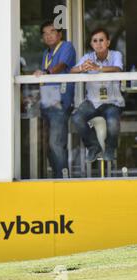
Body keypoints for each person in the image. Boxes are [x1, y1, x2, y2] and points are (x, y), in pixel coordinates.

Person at [70, 28, 125, 162]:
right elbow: (72, 71)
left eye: (101, 40)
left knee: (112, 122)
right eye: (95, 41)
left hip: (112, 102)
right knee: (76, 118)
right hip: (92, 102)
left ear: (108, 42)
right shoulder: (88, 57)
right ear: (91, 44)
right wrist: (82, 68)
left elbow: (118, 69)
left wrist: (97, 68)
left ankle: (110, 148)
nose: (98, 43)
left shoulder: (116, 54)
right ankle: (93, 146)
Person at [33, 21, 76, 178]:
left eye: (52, 32)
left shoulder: (67, 46)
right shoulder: (46, 54)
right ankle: (55, 178)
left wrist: (46, 72)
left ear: (60, 34)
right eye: (45, 33)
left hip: (60, 104)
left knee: (56, 143)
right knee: (47, 146)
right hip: (46, 103)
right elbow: (45, 78)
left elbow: (61, 65)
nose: (48, 35)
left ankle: (63, 179)